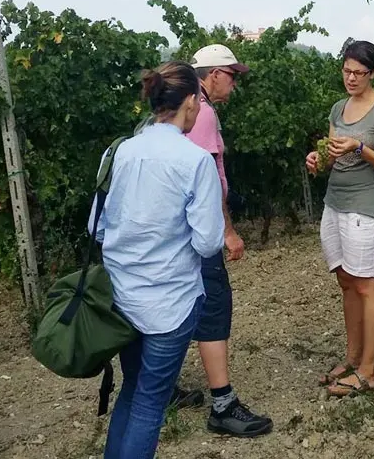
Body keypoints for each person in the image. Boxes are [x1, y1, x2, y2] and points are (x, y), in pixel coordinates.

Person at [92, 62, 225, 459]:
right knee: (151, 402)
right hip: (171, 302)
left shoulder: (117, 152)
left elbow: (96, 229)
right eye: (199, 102)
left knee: (132, 390)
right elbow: (207, 243)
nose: (201, 109)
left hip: (121, 299)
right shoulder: (195, 161)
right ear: (189, 101)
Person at [170, 43, 272, 438]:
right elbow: (206, 179)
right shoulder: (203, 113)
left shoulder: (175, 116)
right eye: (231, 75)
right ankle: (223, 405)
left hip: (175, 232)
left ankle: (161, 388)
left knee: (180, 304)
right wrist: (227, 230)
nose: (234, 83)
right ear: (212, 75)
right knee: (213, 305)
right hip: (200, 230)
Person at [305, 39, 374, 397]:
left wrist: (360, 147)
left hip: (364, 206)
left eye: (359, 73)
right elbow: (332, 158)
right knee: (346, 281)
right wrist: (318, 161)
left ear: (373, 73)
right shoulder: (338, 109)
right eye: (347, 71)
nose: (351, 78)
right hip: (335, 202)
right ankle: (352, 357)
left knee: (367, 285)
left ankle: (368, 371)